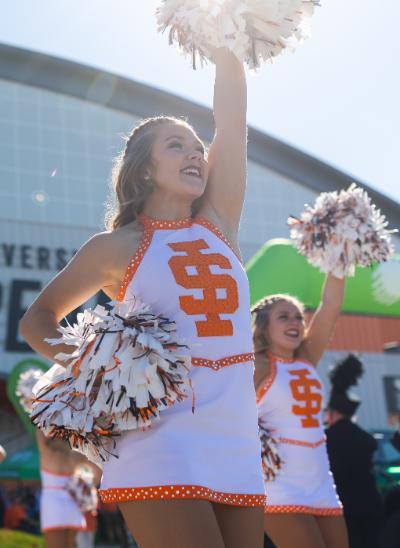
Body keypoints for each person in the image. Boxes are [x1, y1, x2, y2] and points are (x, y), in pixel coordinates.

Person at [19, 47, 265, 548]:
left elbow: (233, 116)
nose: (197, 154)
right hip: (161, 435)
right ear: (146, 169)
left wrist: (226, 45)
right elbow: (36, 320)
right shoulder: (117, 246)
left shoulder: (220, 223)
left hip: (238, 437)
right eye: (178, 146)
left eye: (199, 147)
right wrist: (98, 368)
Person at [252, 275, 349, 548]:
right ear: (264, 327)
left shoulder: (306, 357)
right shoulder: (257, 365)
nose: (295, 322)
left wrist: (339, 259)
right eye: (284, 317)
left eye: (298, 317)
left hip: (320, 480)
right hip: (278, 483)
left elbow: (330, 306)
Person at [325, 354, 383, 548]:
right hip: (369, 503)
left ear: (332, 412)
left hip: (342, 508)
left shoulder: (327, 438)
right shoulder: (365, 438)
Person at [36, 430, 86, 547]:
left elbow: (38, 425)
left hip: (53, 506)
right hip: (73, 503)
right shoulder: (77, 454)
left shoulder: (46, 450)